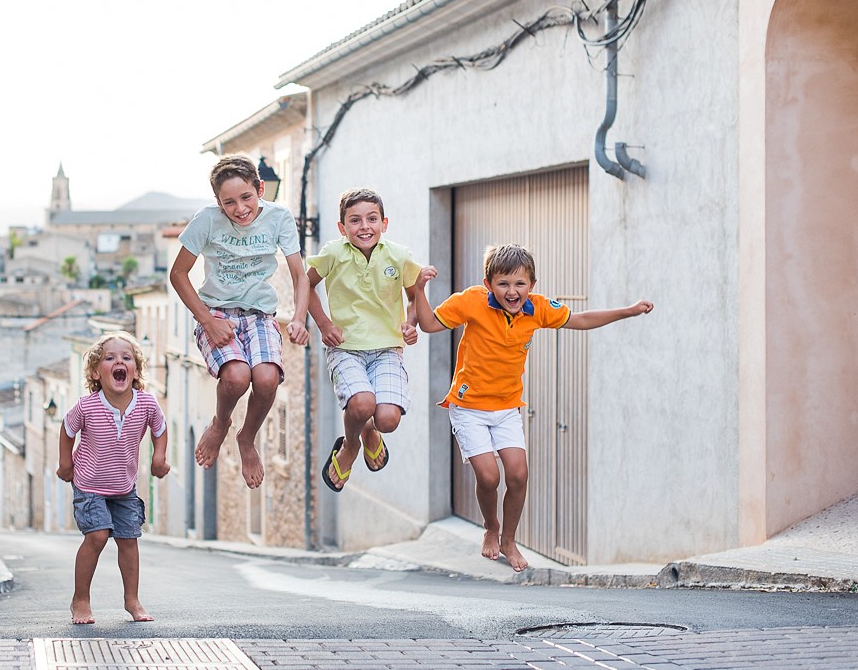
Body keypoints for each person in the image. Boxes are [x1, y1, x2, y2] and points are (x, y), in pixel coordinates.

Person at [413, 243, 653, 572]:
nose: (512, 292)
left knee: (518, 474)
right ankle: (491, 528)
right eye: (503, 284)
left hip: (507, 407)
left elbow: (581, 320)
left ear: (532, 285)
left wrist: (628, 310)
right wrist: (417, 291)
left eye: (520, 284)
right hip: (468, 406)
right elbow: (428, 324)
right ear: (488, 284)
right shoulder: (470, 301)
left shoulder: (537, 308)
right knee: (488, 476)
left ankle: (509, 540)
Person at [169, 155, 310, 489]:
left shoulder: (279, 218)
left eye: (246, 197)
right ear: (218, 202)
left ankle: (247, 437)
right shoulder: (207, 220)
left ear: (260, 189)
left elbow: (299, 274)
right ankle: (220, 424)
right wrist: (207, 321)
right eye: (228, 202)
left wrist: (301, 318)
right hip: (216, 313)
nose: (240, 208)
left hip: (259, 315)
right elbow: (178, 274)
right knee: (235, 377)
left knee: (266, 379)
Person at [306, 188, 437, 492]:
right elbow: (306, 282)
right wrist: (323, 324)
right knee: (362, 404)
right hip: (345, 348)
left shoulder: (399, 255)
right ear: (342, 228)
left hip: (387, 349)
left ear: (384, 222)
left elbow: (413, 296)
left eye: (372, 219)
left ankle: (370, 432)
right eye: (355, 220)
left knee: (388, 419)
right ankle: (351, 447)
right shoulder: (333, 253)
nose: (364, 226)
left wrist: (411, 322)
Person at [56, 332, 170, 625]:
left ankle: (132, 600)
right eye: (110, 358)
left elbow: (160, 428)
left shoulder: (146, 403)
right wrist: (65, 464)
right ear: (96, 372)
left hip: (124, 486)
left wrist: (159, 458)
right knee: (96, 536)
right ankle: (80, 599)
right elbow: (67, 430)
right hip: (89, 484)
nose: (119, 361)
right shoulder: (87, 406)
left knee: (129, 540)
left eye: (126, 358)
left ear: (135, 371)